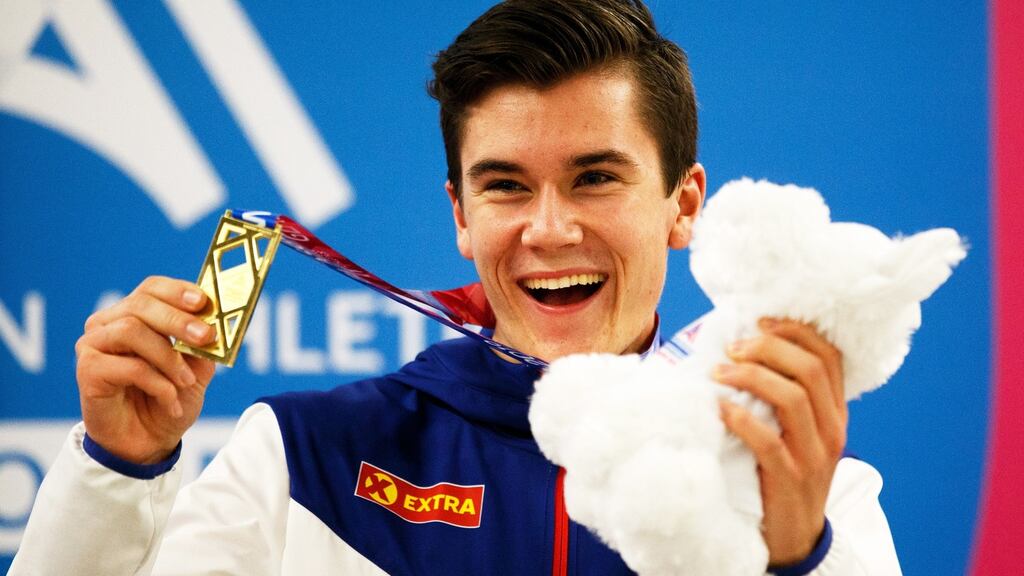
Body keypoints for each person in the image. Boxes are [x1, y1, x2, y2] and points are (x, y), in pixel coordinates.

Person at [11, 1, 900, 574]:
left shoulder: (809, 494)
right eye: (507, 185)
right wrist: (116, 474)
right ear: (462, 214)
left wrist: (795, 559)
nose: (549, 228)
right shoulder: (302, 460)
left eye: (596, 177)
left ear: (684, 203)